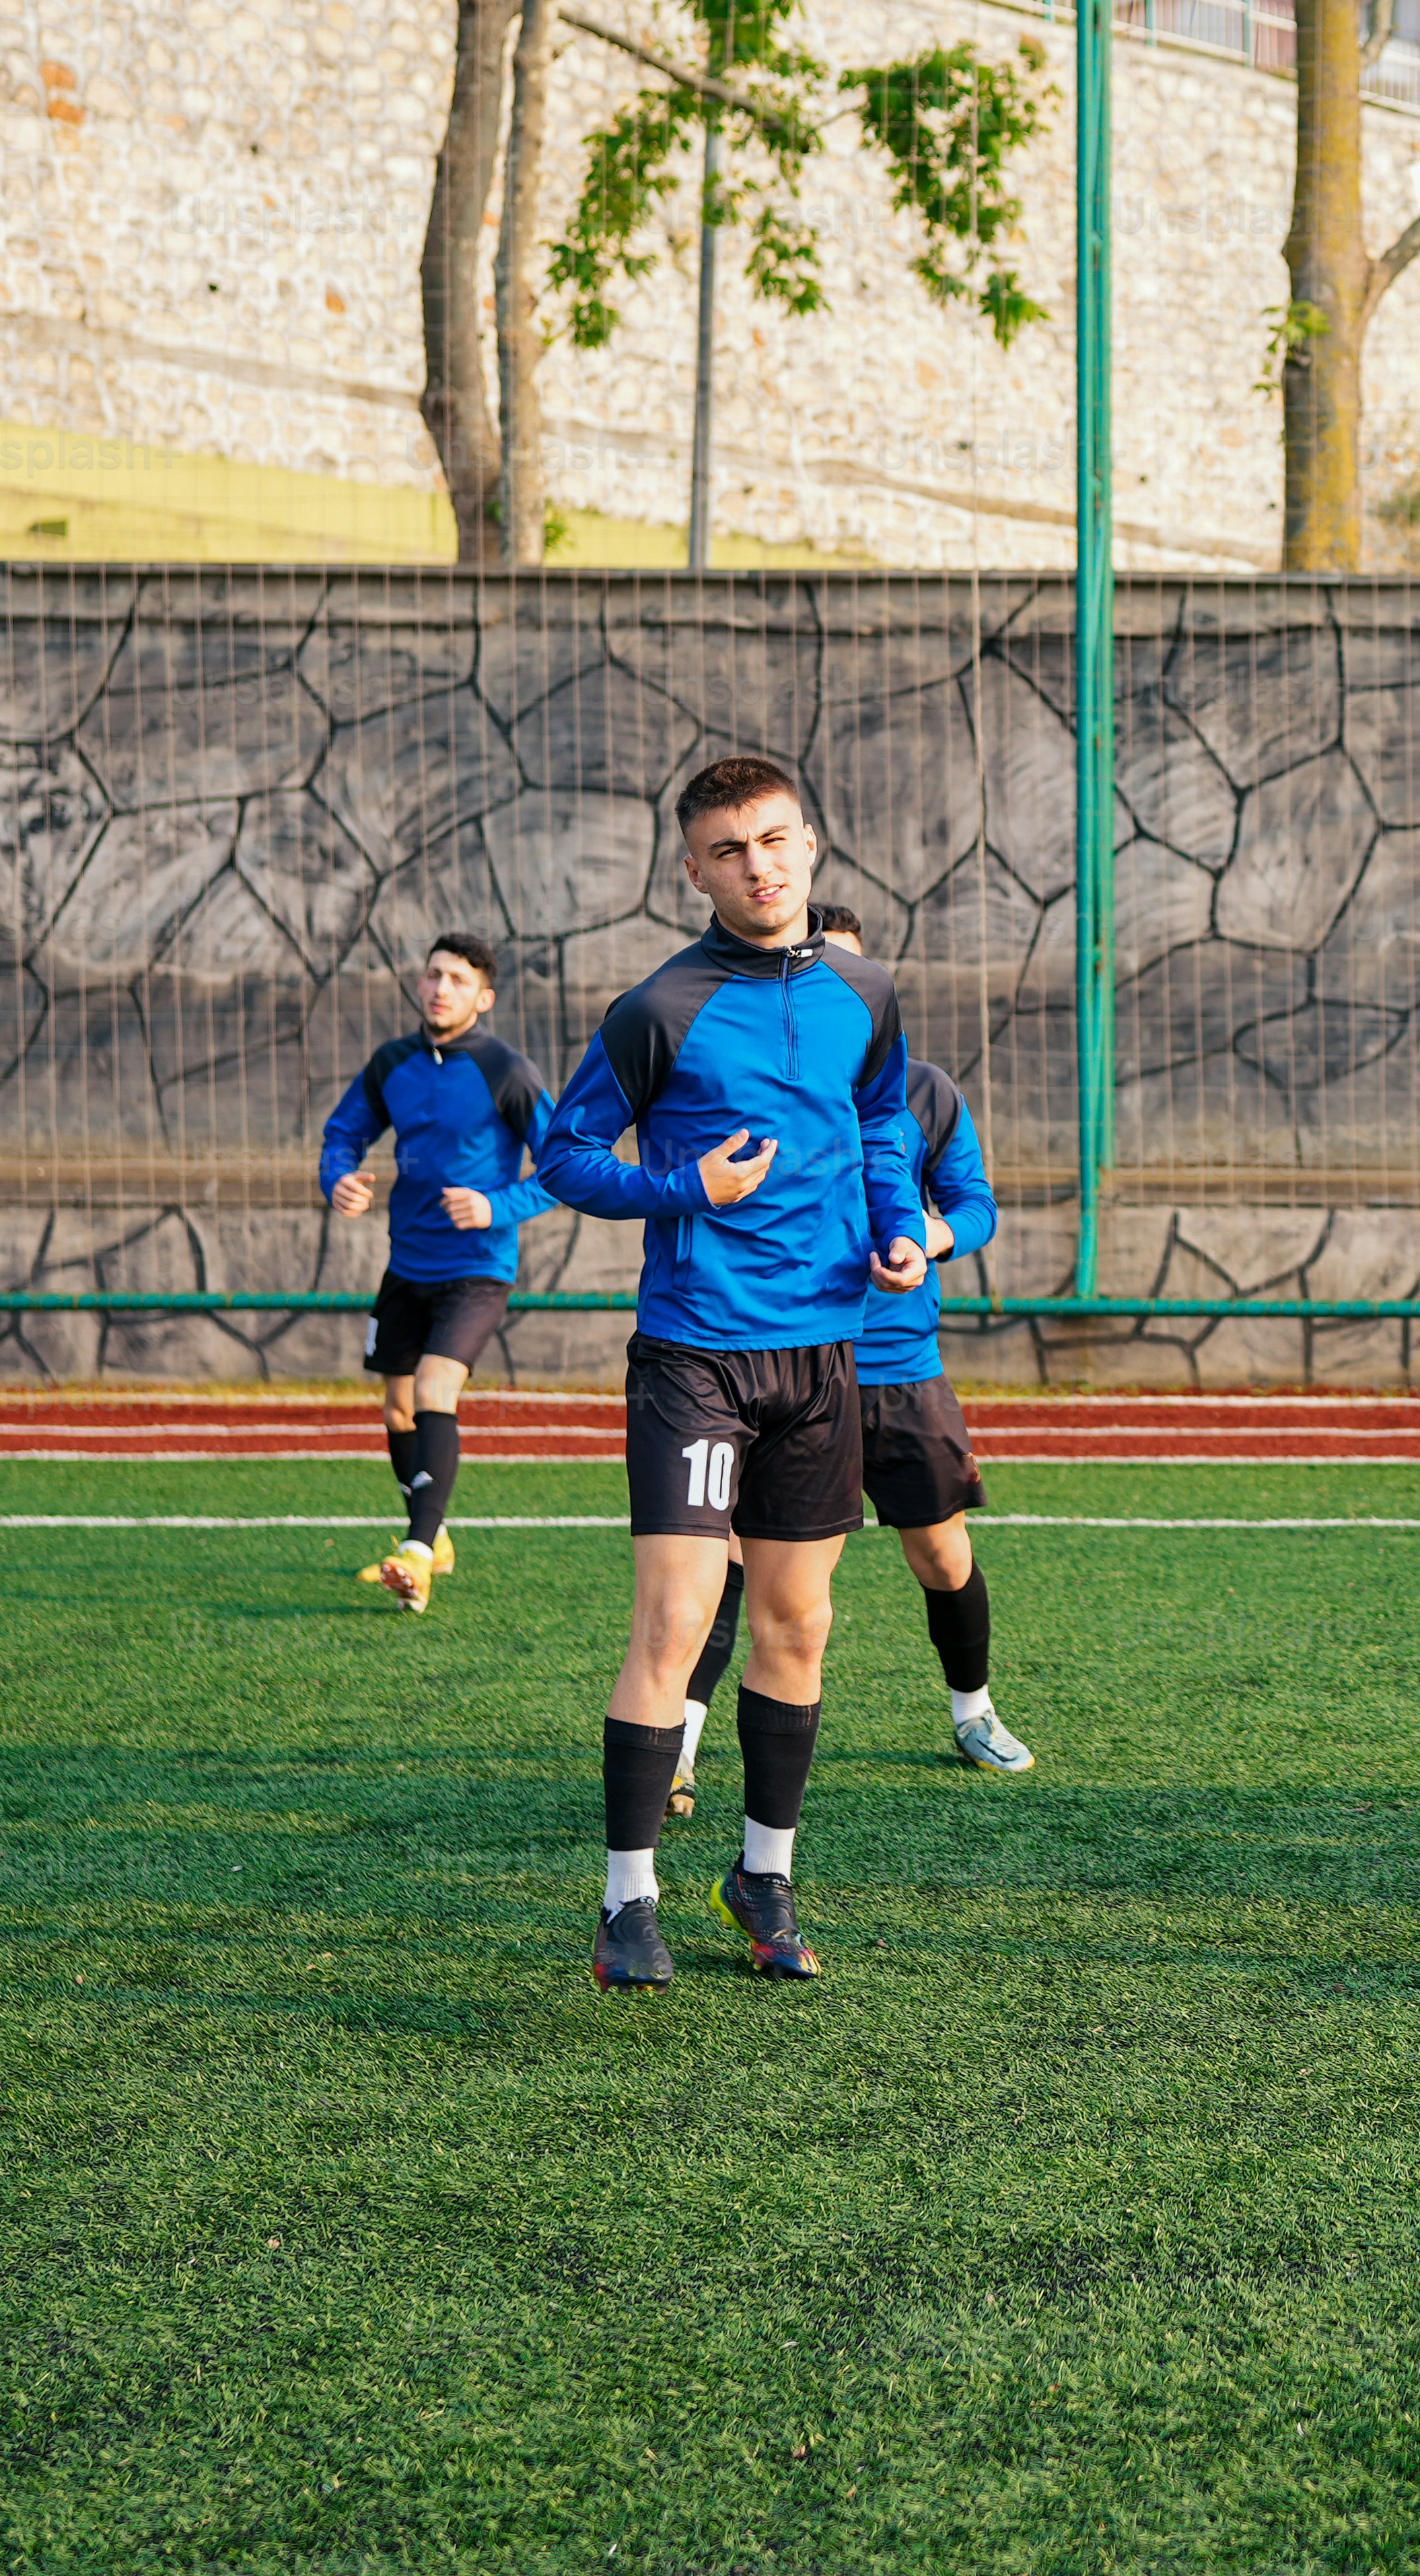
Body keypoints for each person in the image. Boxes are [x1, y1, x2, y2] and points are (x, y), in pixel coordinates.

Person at [533, 762, 931, 1991]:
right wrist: (680, 1190)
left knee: (797, 1625)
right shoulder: (659, 1008)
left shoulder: (869, 991)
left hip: (824, 1355)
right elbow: (564, 1155)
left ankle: (762, 1877)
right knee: (670, 1622)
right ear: (693, 872)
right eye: (727, 850)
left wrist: (896, 1224)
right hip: (696, 1354)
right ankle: (625, 1901)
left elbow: (879, 1121)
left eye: (773, 841)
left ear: (809, 846)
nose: (756, 866)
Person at [669, 904, 1015, 1820]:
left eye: (843, 973)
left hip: (898, 1371)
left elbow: (976, 1207)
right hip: (775, 1358)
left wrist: (930, 1238)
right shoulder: (741, 1083)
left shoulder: (926, 1091)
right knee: (729, 1559)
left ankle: (973, 1709)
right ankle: (683, 1748)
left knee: (941, 1556)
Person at [316, 929, 555, 1615]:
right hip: (406, 1266)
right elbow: (343, 1133)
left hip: (478, 1269)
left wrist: (496, 1204)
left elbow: (566, 1163)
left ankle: (415, 1553)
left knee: (432, 1388)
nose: (440, 988)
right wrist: (339, 1179)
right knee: (396, 1407)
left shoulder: (507, 1070)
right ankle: (436, 1536)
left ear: (484, 997)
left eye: (457, 979)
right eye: (432, 975)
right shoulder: (393, 1062)